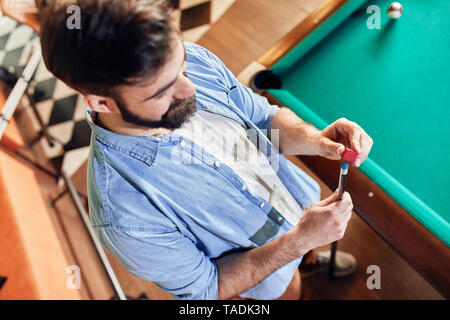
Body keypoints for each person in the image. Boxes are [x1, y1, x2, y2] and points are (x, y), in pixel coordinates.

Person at [35, 0, 373, 300]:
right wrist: (298, 241)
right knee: (290, 289)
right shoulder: (125, 216)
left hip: (292, 200)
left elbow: (261, 117)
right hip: (267, 276)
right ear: (101, 102)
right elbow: (209, 289)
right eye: (164, 91)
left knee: (305, 251)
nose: (190, 89)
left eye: (181, 66)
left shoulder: (191, 60)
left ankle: (309, 259)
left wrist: (314, 138)